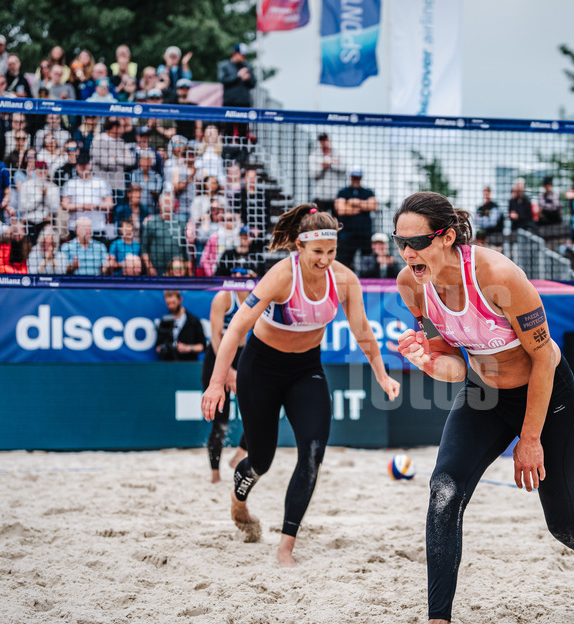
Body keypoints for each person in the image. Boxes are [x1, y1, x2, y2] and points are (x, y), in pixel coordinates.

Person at [389, 191, 574, 624]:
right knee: (444, 489)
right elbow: (453, 363)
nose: (408, 253)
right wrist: (428, 364)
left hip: (549, 395)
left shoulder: (496, 275)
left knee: (565, 524)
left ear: (446, 237)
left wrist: (530, 439)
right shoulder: (412, 285)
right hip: (485, 392)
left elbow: (543, 359)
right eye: (400, 243)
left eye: (418, 242)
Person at [201, 204, 401, 567]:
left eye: (332, 251)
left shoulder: (344, 280)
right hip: (259, 368)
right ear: (299, 247)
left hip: (305, 370)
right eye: (318, 252)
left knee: (312, 451)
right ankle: (239, 499)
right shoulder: (280, 276)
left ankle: (285, 546)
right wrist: (217, 382)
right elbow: (236, 328)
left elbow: (363, 332)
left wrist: (382, 374)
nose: (325, 260)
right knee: (260, 460)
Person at [202, 277, 252, 483]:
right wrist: (227, 370)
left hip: (242, 356)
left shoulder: (255, 296)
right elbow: (215, 337)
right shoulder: (223, 297)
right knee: (220, 421)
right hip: (218, 357)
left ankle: (241, 451)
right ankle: (215, 474)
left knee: (259, 409)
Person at [334, 167, 377, 268]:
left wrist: (353, 202)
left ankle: (369, 281)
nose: (356, 179)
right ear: (350, 177)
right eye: (354, 177)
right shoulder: (343, 192)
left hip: (364, 234)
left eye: (358, 177)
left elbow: (373, 206)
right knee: (344, 263)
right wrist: (362, 206)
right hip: (347, 234)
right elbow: (341, 210)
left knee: (367, 263)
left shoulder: (368, 192)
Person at [156, 290, 206, 361]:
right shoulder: (164, 321)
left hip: (188, 364)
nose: (171, 306)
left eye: (173, 303)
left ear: (180, 299)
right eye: (168, 303)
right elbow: (158, 346)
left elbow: (202, 346)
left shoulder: (193, 321)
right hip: (169, 365)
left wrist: (187, 348)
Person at [308, 133, 345, 214]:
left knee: (337, 222)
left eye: (325, 140)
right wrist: (322, 167)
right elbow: (312, 175)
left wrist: (331, 164)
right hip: (320, 195)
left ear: (329, 140)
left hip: (336, 195)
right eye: (321, 140)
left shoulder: (338, 154)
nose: (323, 142)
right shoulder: (314, 156)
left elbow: (344, 169)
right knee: (319, 220)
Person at [218, 42, 256, 108]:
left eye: (245, 55)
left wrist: (248, 79)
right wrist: (238, 76)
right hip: (229, 103)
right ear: (235, 53)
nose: (243, 57)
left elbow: (253, 84)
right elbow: (223, 80)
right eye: (242, 55)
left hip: (245, 103)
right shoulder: (225, 65)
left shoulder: (247, 66)